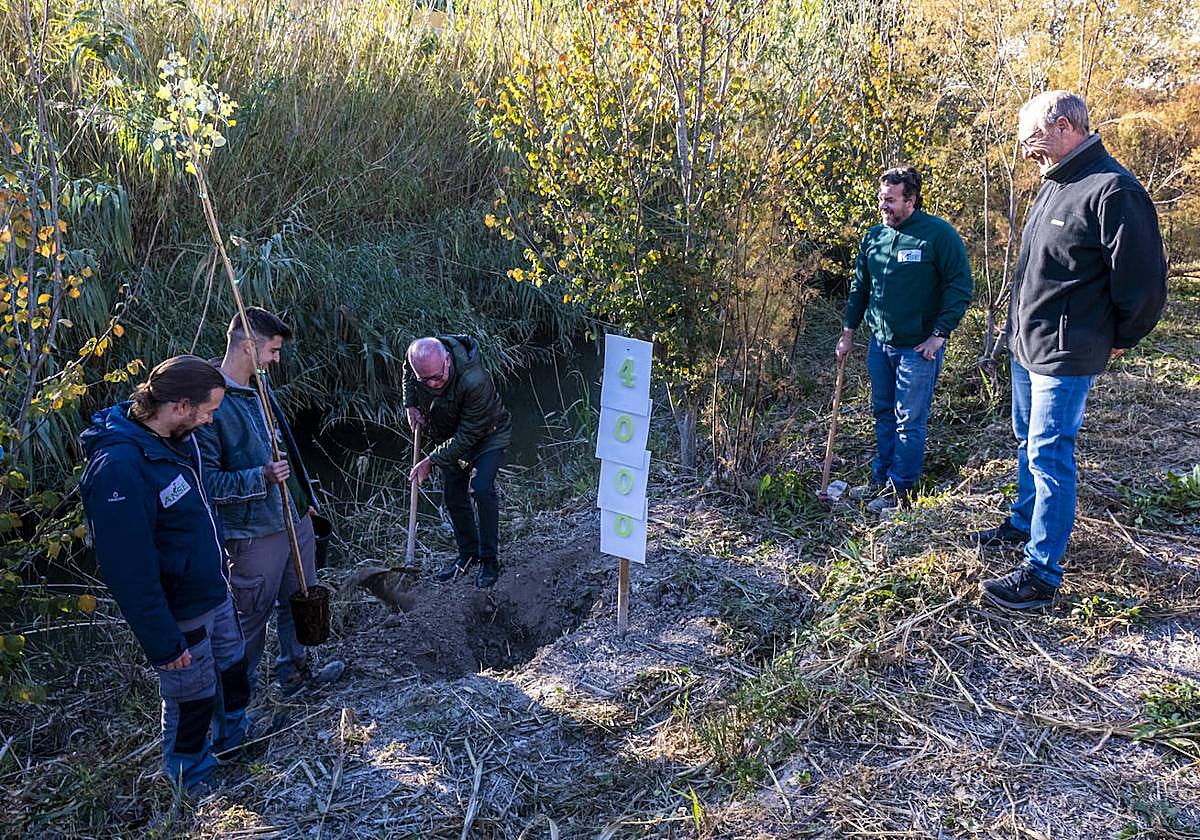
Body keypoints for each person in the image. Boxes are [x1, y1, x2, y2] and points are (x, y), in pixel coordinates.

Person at [978, 91, 1167, 610]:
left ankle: (1041, 573)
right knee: (1026, 442)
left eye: (1030, 136)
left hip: (1066, 351)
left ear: (1063, 126)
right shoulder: (1056, 183)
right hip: (1028, 344)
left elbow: (1144, 280)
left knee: (1048, 452)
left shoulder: (1113, 190)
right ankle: (1023, 522)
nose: (1023, 148)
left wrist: (1122, 337)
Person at [79, 355, 250, 794]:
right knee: (190, 698)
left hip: (213, 590)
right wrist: (161, 641)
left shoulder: (181, 437)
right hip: (180, 611)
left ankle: (236, 739)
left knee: (233, 668)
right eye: (208, 411)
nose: (211, 421)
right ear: (179, 405)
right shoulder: (120, 468)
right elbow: (127, 569)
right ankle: (190, 778)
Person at [197, 308, 344, 695]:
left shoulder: (263, 389)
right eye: (273, 351)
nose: (277, 360)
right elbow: (206, 484)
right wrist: (258, 478)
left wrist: (304, 500)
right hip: (251, 535)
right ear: (248, 346)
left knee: (302, 601)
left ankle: (296, 676)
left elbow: (286, 454)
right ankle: (235, 710)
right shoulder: (211, 403)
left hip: (293, 519)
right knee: (248, 620)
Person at [836, 166, 974, 513]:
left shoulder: (937, 235)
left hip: (917, 350)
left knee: (908, 420)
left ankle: (902, 491)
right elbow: (860, 288)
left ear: (910, 200)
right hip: (880, 346)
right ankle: (879, 480)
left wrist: (939, 334)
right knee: (882, 413)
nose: (883, 206)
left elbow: (960, 287)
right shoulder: (873, 238)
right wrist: (848, 332)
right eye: (881, 199)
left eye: (890, 201)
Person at [404, 335, 512, 588]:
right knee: (453, 496)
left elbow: (468, 435)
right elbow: (407, 372)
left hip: (488, 432)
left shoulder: (474, 381)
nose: (432, 385)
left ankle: (489, 560)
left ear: (448, 361)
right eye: (425, 380)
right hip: (450, 433)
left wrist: (431, 459)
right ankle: (468, 553)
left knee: (481, 489)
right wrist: (410, 405)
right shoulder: (420, 361)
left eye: (437, 377)